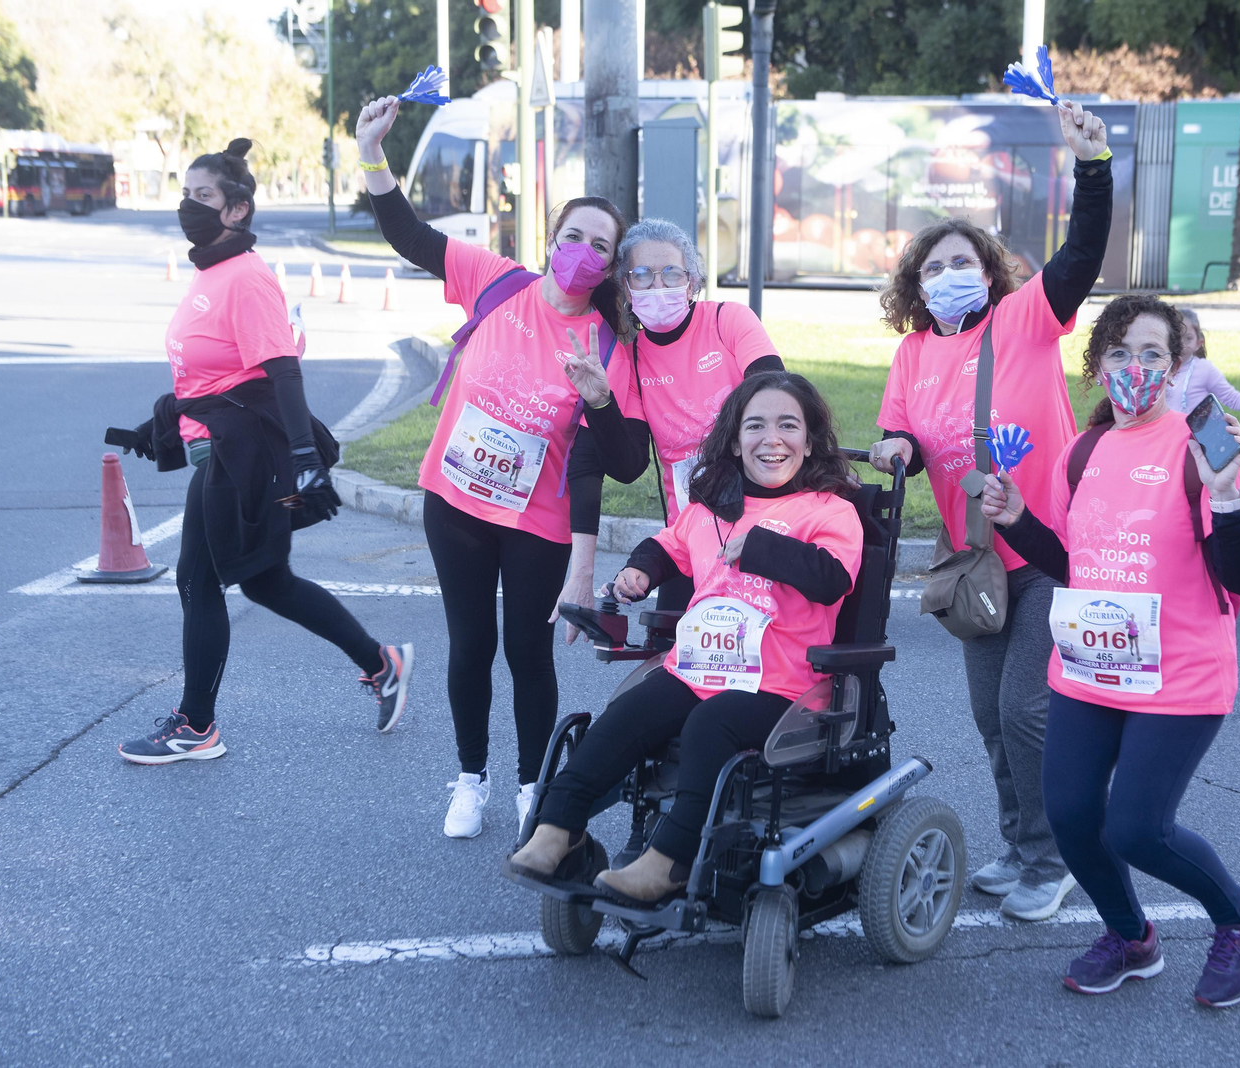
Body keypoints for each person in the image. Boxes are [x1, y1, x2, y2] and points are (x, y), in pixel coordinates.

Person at [355, 97, 651, 838]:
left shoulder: (610, 343)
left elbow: (622, 463)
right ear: (552, 241)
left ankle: (530, 787)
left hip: (536, 522)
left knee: (527, 653)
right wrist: (371, 153)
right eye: (573, 236)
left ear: (611, 264)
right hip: (453, 501)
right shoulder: (497, 282)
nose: (583, 251)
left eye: (600, 246)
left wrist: (602, 401)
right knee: (469, 646)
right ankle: (469, 782)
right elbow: (408, 234)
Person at [982, 294, 1240, 1008]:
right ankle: (1130, 936)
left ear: (1177, 367)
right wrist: (1017, 521)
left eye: (1153, 354)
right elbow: (1072, 560)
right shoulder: (1084, 452)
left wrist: (1229, 497)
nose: (1135, 367)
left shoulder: (1198, 450)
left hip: (1180, 676)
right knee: (1072, 816)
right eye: (1120, 352)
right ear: (1098, 366)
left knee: (1139, 828)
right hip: (1090, 667)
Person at [870, 99, 1110, 922]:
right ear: (915, 283)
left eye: (962, 261)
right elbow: (900, 428)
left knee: (1024, 709)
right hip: (974, 559)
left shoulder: (1023, 321)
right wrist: (895, 452)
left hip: (1045, 544)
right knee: (988, 716)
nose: (947, 277)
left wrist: (1092, 167)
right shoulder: (911, 351)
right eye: (932, 267)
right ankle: (1018, 845)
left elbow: (1080, 256)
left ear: (990, 268)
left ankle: (1054, 860)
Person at [507, 372, 863, 905]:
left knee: (709, 725)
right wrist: (638, 573)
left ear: (809, 442)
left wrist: (761, 547)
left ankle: (669, 860)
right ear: (736, 440)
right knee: (625, 714)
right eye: (756, 426)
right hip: (696, 670)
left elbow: (832, 577)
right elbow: (666, 546)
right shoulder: (708, 510)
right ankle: (559, 829)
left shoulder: (829, 511)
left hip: (782, 688)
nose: (772, 439)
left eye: (789, 426)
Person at [115, 139, 413, 764]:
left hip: (244, 455)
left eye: (203, 196)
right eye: (187, 194)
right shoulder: (211, 273)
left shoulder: (246, 279)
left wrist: (306, 458)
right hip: (218, 447)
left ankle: (196, 726)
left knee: (200, 580)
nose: (188, 205)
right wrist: (157, 425)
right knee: (264, 581)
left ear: (237, 211)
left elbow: (280, 371)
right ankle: (381, 662)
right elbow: (211, 374)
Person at [561, 217, 783, 636]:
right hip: (690, 536)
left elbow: (776, 395)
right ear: (626, 290)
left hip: (763, 519)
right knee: (669, 653)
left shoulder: (729, 321)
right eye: (642, 275)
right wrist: (600, 402)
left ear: (692, 282)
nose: (657, 285)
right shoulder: (630, 359)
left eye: (671, 274)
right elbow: (625, 465)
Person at [1165, 309, 1240, 414]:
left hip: (1193, 430)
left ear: (1198, 343)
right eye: (1177, 337)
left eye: (1188, 338)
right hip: (1165, 429)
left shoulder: (1204, 370)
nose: (1181, 343)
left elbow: (1232, 398)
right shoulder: (1159, 367)